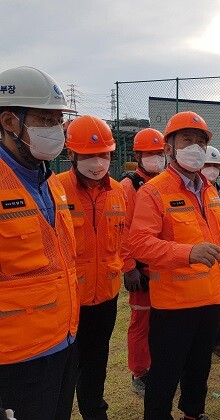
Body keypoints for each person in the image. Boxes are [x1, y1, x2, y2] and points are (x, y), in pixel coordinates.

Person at [128, 111, 220, 420]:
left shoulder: (210, 190)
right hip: (174, 304)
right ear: (169, 147)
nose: (195, 147)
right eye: (187, 140)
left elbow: (216, 243)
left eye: (201, 141)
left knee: (199, 368)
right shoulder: (153, 192)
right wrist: (186, 253)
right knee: (165, 374)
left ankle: (192, 413)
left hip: (209, 299)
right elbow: (139, 244)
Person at [0, 66, 79, 420]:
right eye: (45, 119)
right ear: (9, 122)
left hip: (63, 340)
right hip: (15, 357)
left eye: (58, 120)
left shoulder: (51, 182)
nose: (56, 130)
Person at [58, 115, 126, 420]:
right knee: (63, 367)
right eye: (88, 155)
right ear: (71, 154)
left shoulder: (119, 192)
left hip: (106, 296)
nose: (97, 162)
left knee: (97, 361)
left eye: (103, 154)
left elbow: (123, 240)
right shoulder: (54, 189)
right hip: (67, 300)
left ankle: (95, 413)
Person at [121, 128, 167, 396]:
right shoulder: (130, 187)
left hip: (164, 266)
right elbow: (122, 229)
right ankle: (139, 373)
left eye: (159, 153)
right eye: (150, 154)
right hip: (142, 270)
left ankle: (160, 365)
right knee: (141, 322)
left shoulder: (165, 183)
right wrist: (129, 267)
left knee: (164, 322)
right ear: (137, 155)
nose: (156, 158)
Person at [201, 145, 220, 358]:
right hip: (194, 254)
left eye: (215, 166)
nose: (211, 170)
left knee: (216, 299)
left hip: (217, 256)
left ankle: (215, 339)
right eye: (207, 165)